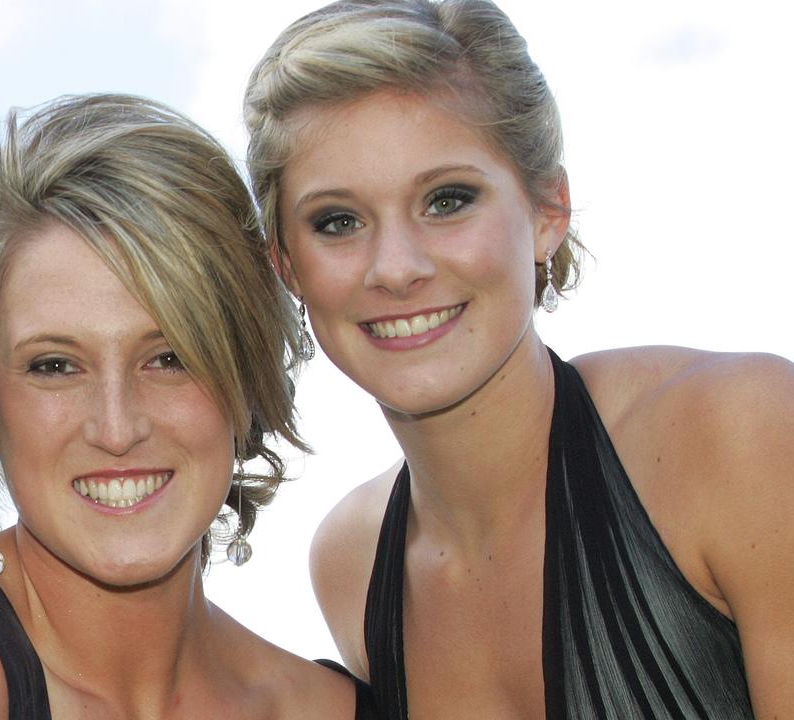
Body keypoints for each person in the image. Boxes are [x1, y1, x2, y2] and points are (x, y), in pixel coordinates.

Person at [242, 1, 794, 718]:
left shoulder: (735, 435)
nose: (397, 268)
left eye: (447, 200)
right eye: (337, 222)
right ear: (287, 264)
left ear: (547, 211)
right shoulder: (350, 561)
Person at [0, 94, 375, 719]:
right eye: (54, 367)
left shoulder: (337, 706)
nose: (117, 428)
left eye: (169, 357)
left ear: (245, 377)